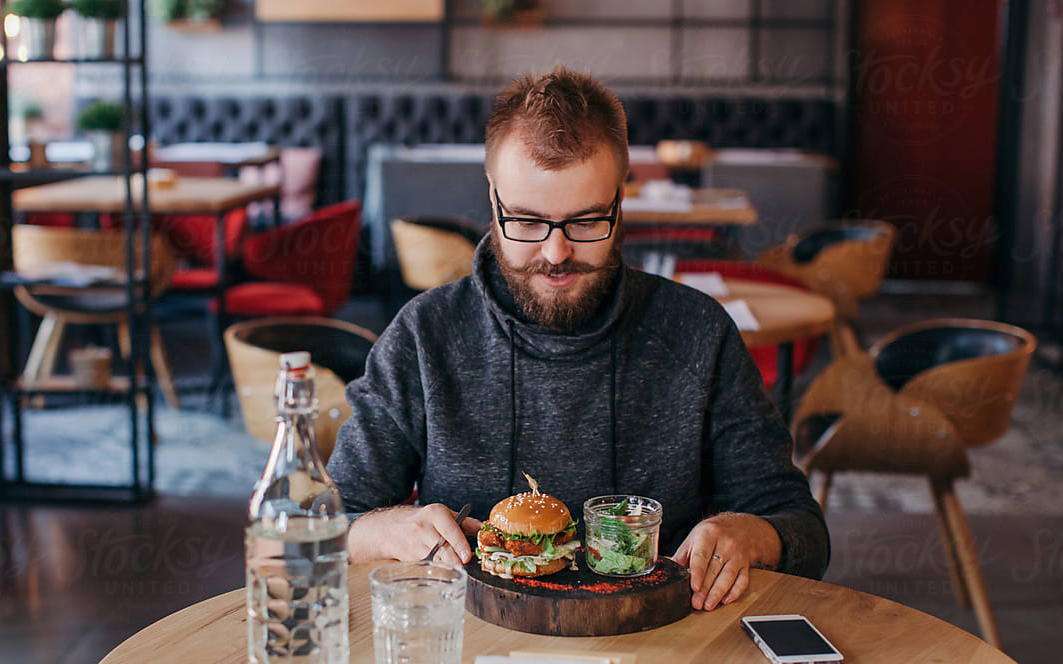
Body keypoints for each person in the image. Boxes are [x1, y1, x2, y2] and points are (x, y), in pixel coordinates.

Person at [327, 67, 829, 611]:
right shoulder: (424, 336)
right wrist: (387, 529)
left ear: (620, 199)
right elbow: (323, 526)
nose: (556, 253)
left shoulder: (700, 333)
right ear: (492, 198)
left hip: (662, 642)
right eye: (525, 220)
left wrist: (748, 533)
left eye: (587, 221)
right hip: (471, 646)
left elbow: (802, 529)